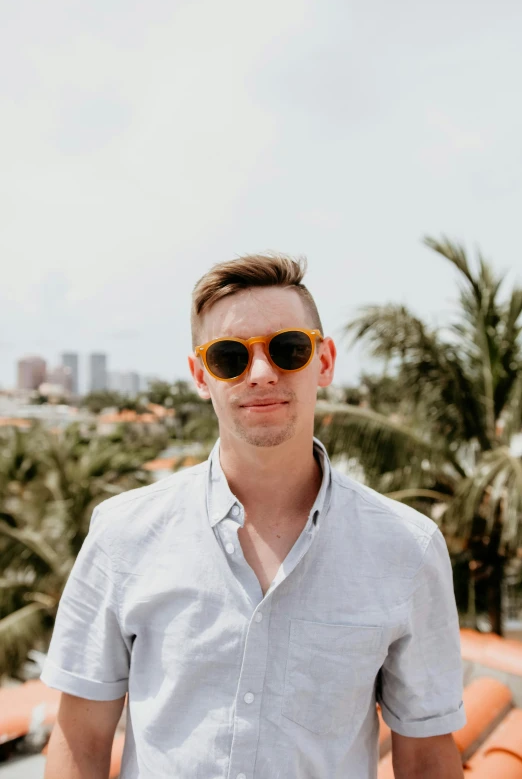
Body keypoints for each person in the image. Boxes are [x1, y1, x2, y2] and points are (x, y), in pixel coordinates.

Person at [42, 254, 466, 778]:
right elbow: (80, 740)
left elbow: (427, 756)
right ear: (201, 376)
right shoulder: (122, 535)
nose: (261, 374)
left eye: (288, 349)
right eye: (229, 357)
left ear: (324, 361)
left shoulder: (408, 548)